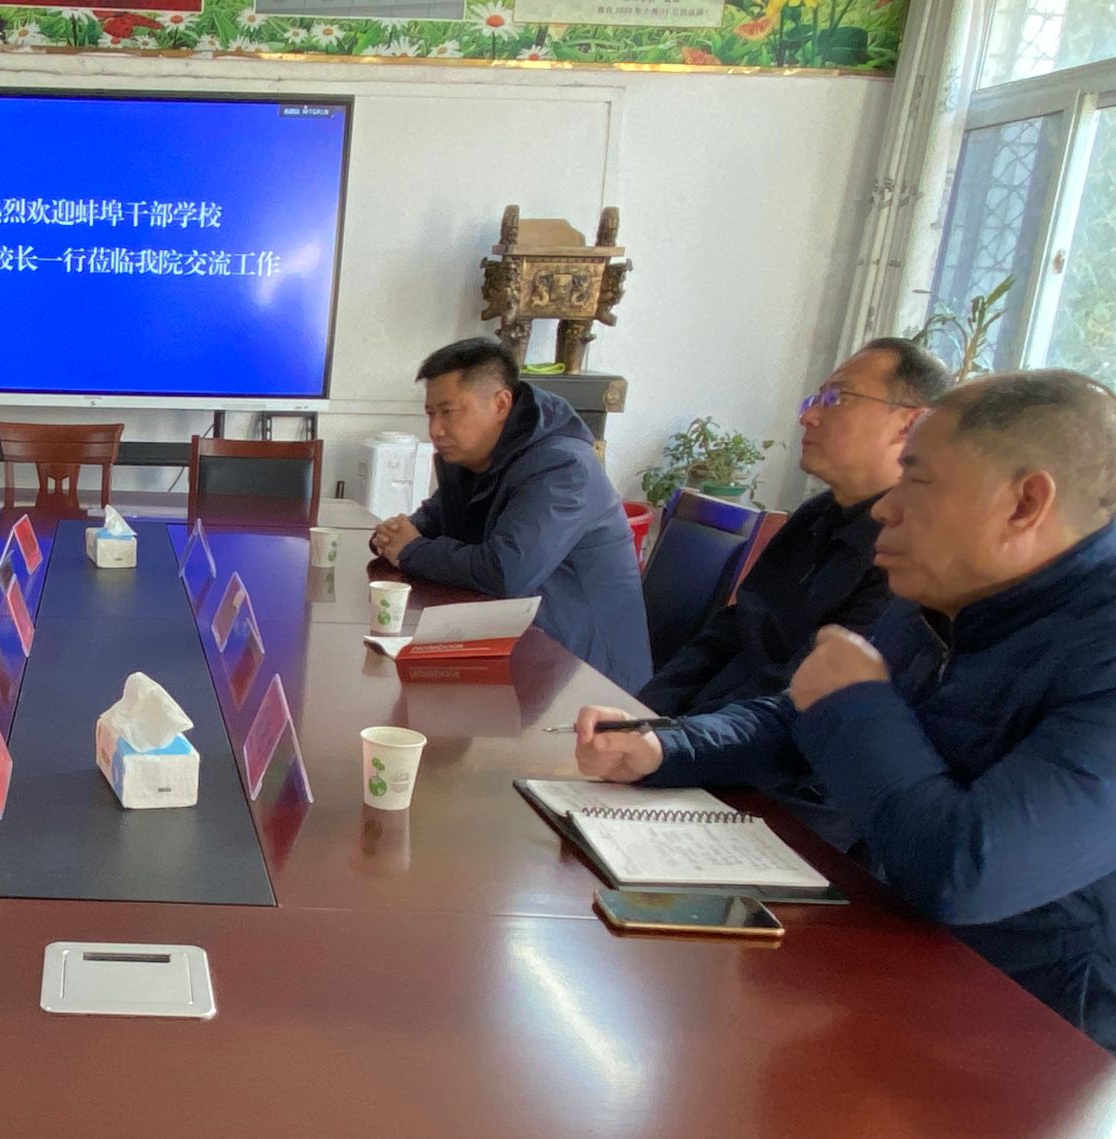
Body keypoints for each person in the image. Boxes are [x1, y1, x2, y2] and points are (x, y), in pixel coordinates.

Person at [574, 370, 1116, 1051]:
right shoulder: (941, 593)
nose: (886, 509)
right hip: (885, 955)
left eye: (918, 480)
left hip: (1036, 1031)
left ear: (1025, 503)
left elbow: (968, 874)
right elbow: (805, 712)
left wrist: (858, 701)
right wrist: (667, 745)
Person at [640, 338, 951, 716]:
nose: (808, 416)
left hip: (760, 738)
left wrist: (672, 738)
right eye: (815, 399)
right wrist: (640, 714)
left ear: (910, 424)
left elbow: (799, 695)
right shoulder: (815, 514)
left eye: (837, 398)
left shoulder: (908, 550)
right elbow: (731, 630)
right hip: (700, 727)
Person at [370, 338, 651, 691]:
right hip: (517, 644)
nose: (435, 430)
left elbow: (507, 571)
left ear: (501, 403)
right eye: (430, 414)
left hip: (588, 676)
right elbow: (434, 521)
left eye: (448, 412)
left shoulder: (563, 466)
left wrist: (410, 550)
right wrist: (394, 536)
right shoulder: (475, 456)